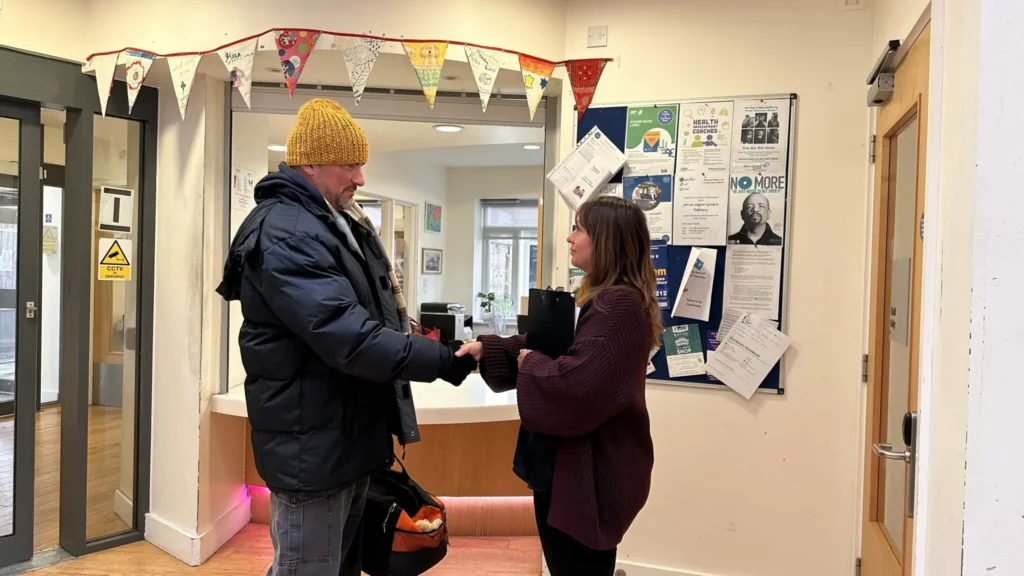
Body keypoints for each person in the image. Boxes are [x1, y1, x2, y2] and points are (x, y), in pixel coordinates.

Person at [215, 98, 476, 576]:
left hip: (344, 443)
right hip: (313, 451)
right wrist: (441, 360)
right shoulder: (290, 231)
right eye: (350, 165)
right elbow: (350, 337)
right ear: (309, 163)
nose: (360, 178)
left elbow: (369, 317)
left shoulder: (330, 224)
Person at [457, 196, 660, 576]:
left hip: (588, 473)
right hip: (571, 468)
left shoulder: (618, 307)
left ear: (606, 240)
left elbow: (576, 388)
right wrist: (493, 347)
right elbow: (560, 346)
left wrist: (528, 362)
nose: (570, 238)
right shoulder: (603, 300)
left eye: (579, 229)